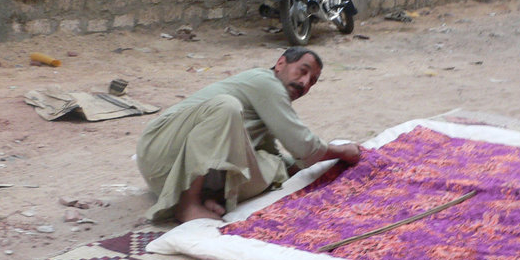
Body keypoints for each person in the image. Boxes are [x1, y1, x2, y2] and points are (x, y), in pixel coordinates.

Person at [136, 46, 361, 223]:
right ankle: (188, 204)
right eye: (302, 71)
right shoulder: (265, 82)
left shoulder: (267, 102)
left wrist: (312, 171)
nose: (304, 83)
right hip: (159, 151)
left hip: (170, 176)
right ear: (280, 64)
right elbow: (302, 145)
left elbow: (271, 152)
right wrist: (342, 151)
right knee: (227, 107)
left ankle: (208, 197)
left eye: (312, 81)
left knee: (274, 165)